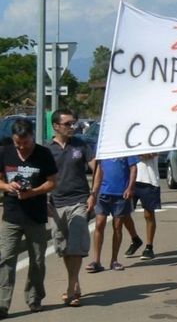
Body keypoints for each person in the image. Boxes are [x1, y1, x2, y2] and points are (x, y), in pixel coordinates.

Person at [0, 118, 58, 317]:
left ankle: (34, 299)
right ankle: (2, 304)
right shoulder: (5, 152)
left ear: (32, 136)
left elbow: (52, 182)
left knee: (38, 260)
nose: (22, 147)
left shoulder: (43, 154)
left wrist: (32, 192)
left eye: (25, 143)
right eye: (18, 143)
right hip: (11, 215)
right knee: (6, 259)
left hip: (35, 215)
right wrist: (8, 187)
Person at [47, 109, 96, 307]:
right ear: (56, 126)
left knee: (76, 246)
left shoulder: (81, 144)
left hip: (79, 201)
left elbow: (96, 167)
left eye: (74, 123)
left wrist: (94, 194)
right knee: (65, 248)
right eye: (68, 124)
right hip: (56, 203)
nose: (72, 127)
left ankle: (71, 288)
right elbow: (40, 177)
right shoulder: (47, 150)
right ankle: (74, 284)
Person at [86, 155, 138, 273]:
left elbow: (133, 168)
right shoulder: (104, 146)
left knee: (118, 226)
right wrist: (94, 192)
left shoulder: (125, 147)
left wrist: (130, 188)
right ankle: (96, 261)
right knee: (99, 224)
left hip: (121, 193)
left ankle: (114, 260)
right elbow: (98, 168)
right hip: (103, 193)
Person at [123, 153, 161, 260]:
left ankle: (149, 247)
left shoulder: (154, 138)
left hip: (149, 180)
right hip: (130, 180)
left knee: (149, 214)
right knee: (123, 213)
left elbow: (152, 154)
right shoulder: (130, 138)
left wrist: (133, 155)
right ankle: (135, 239)